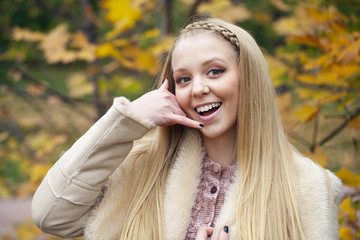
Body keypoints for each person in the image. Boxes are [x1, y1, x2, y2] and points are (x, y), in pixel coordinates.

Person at [32, 17, 342, 240]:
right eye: (184, 78)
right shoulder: (138, 168)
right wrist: (127, 121)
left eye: (215, 71)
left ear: (250, 78)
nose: (198, 88)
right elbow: (50, 216)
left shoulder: (308, 187)